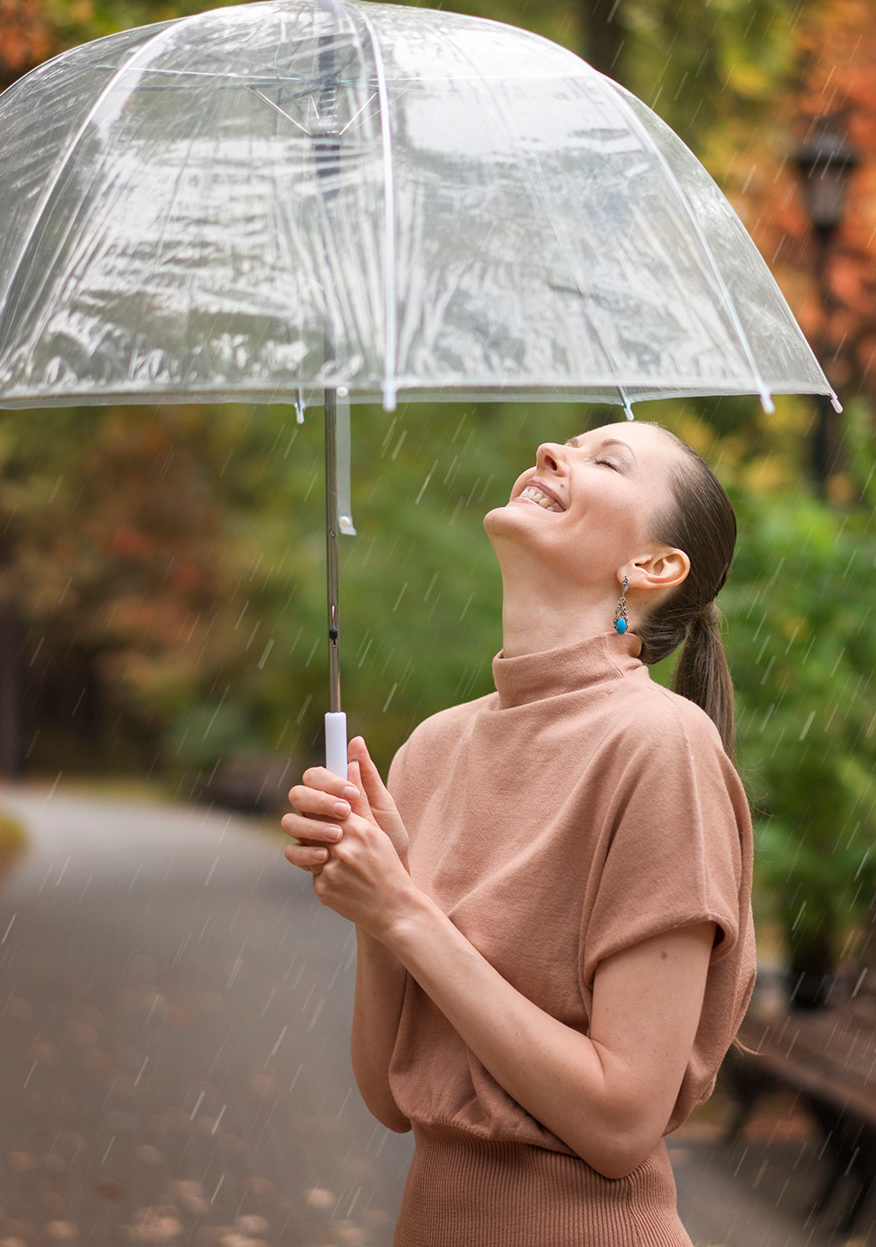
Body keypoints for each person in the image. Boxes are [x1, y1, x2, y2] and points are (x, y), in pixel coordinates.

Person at [280, 420, 754, 1246]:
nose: (547, 452)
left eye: (605, 459)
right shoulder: (435, 746)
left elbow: (618, 1126)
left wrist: (404, 912)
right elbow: (391, 1094)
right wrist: (374, 904)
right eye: (562, 442)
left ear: (654, 566)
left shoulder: (662, 746)